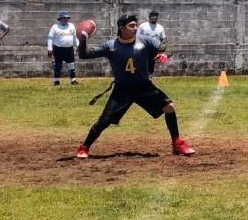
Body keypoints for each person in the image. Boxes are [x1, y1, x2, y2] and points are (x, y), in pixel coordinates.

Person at [75, 14, 194, 158]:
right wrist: (83, 39)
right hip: (122, 90)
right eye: (131, 26)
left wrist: (165, 54)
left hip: (143, 87)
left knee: (169, 107)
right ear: (121, 28)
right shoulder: (110, 46)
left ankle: (177, 144)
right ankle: (84, 147)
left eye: (136, 25)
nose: (135, 28)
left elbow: (167, 46)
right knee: (104, 121)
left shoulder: (146, 41)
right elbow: (84, 55)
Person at [47, 11, 79, 86]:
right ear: (60, 19)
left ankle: (73, 80)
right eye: (64, 18)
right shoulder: (55, 27)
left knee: (71, 64)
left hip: (69, 49)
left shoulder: (71, 26)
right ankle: (57, 81)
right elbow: (50, 38)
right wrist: (49, 48)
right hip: (58, 49)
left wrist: (78, 45)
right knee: (57, 65)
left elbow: (75, 37)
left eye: (67, 18)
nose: (65, 19)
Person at [138, 11, 167, 77]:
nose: (154, 17)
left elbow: (163, 39)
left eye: (156, 16)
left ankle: (150, 77)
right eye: (152, 16)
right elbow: (137, 36)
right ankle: (142, 77)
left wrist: (162, 50)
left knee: (151, 63)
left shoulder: (160, 27)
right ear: (149, 17)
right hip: (144, 49)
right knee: (143, 63)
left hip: (154, 49)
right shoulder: (143, 26)